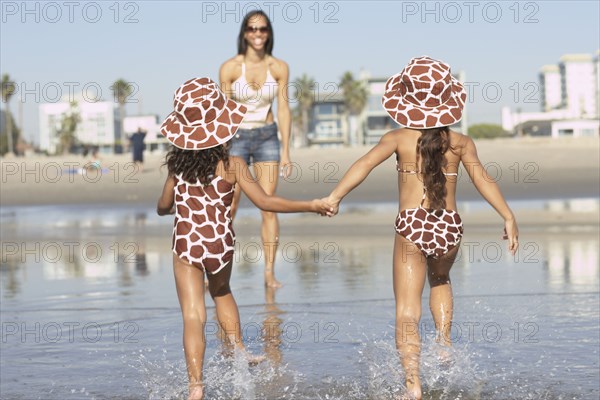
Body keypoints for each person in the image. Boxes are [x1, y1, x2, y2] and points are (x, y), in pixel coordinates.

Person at [325, 56, 519, 399]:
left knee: (406, 309)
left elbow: (364, 165)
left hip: (412, 225)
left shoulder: (398, 138)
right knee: (441, 279)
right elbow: (484, 180)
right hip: (450, 226)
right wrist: (508, 215)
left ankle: (412, 384)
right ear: (446, 100)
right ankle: (443, 344)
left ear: (407, 99)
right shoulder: (460, 143)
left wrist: (335, 196)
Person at [156, 77, 331, 400]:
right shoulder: (232, 164)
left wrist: (180, 206)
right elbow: (266, 202)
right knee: (222, 292)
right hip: (220, 244)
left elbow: (162, 207)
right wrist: (310, 205)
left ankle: (196, 385)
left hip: (186, 244)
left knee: (193, 315)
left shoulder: (176, 168)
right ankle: (239, 352)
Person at [219, 10, 292, 288]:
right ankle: (219, 269)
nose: (258, 34)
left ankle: (269, 273)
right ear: (244, 33)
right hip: (235, 137)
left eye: (262, 29)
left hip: (266, 136)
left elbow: (284, 108)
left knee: (268, 205)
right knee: (230, 205)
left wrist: (286, 151)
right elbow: (222, 113)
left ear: (269, 33)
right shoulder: (229, 68)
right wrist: (220, 151)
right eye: (252, 29)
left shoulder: (279, 67)